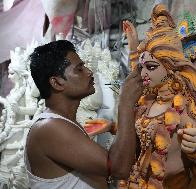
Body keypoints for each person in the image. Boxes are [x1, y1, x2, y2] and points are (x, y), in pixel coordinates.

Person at [120, 4, 196, 189]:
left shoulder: (183, 106)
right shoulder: (147, 102)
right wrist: (134, 48)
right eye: (142, 67)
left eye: (150, 67)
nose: (143, 73)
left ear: (169, 68)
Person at [25, 40, 143, 189]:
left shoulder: (64, 122)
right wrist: (125, 103)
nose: (89, 72)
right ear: (56, 82)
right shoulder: (49, 128)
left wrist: (113, 127)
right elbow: (119, 169)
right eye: (79, 69)